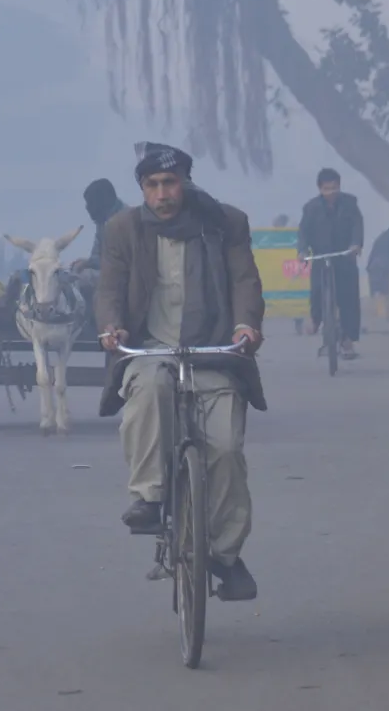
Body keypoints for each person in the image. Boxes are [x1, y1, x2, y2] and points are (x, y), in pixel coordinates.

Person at [96, 142, 265, 602]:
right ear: (142, 189)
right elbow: (109, 287)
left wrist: (247, 324)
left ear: (185, 183)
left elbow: (245, 279)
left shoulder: (224, 223)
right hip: (150, 350)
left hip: (214, 350)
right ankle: (150, 498)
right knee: (148, 391)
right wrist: (111, 328)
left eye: (170, 183)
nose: (162, 194)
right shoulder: (123, 229)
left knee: (226, 450)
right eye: (152, 185)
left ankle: (226, 558)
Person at [297, 168, 364, 359]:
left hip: (344, 255)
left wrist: (356, 244)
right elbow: (303, 232)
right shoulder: (310, 208)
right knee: (317, 290)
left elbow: (357, 225)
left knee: (349, 297)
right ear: (320, 189)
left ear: (339, 187)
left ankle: (348, 340)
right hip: (321, 256)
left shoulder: (350, 203)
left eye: (334, 188)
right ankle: (317, 321)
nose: (331, 192)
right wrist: (302, 251)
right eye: (327, 189)